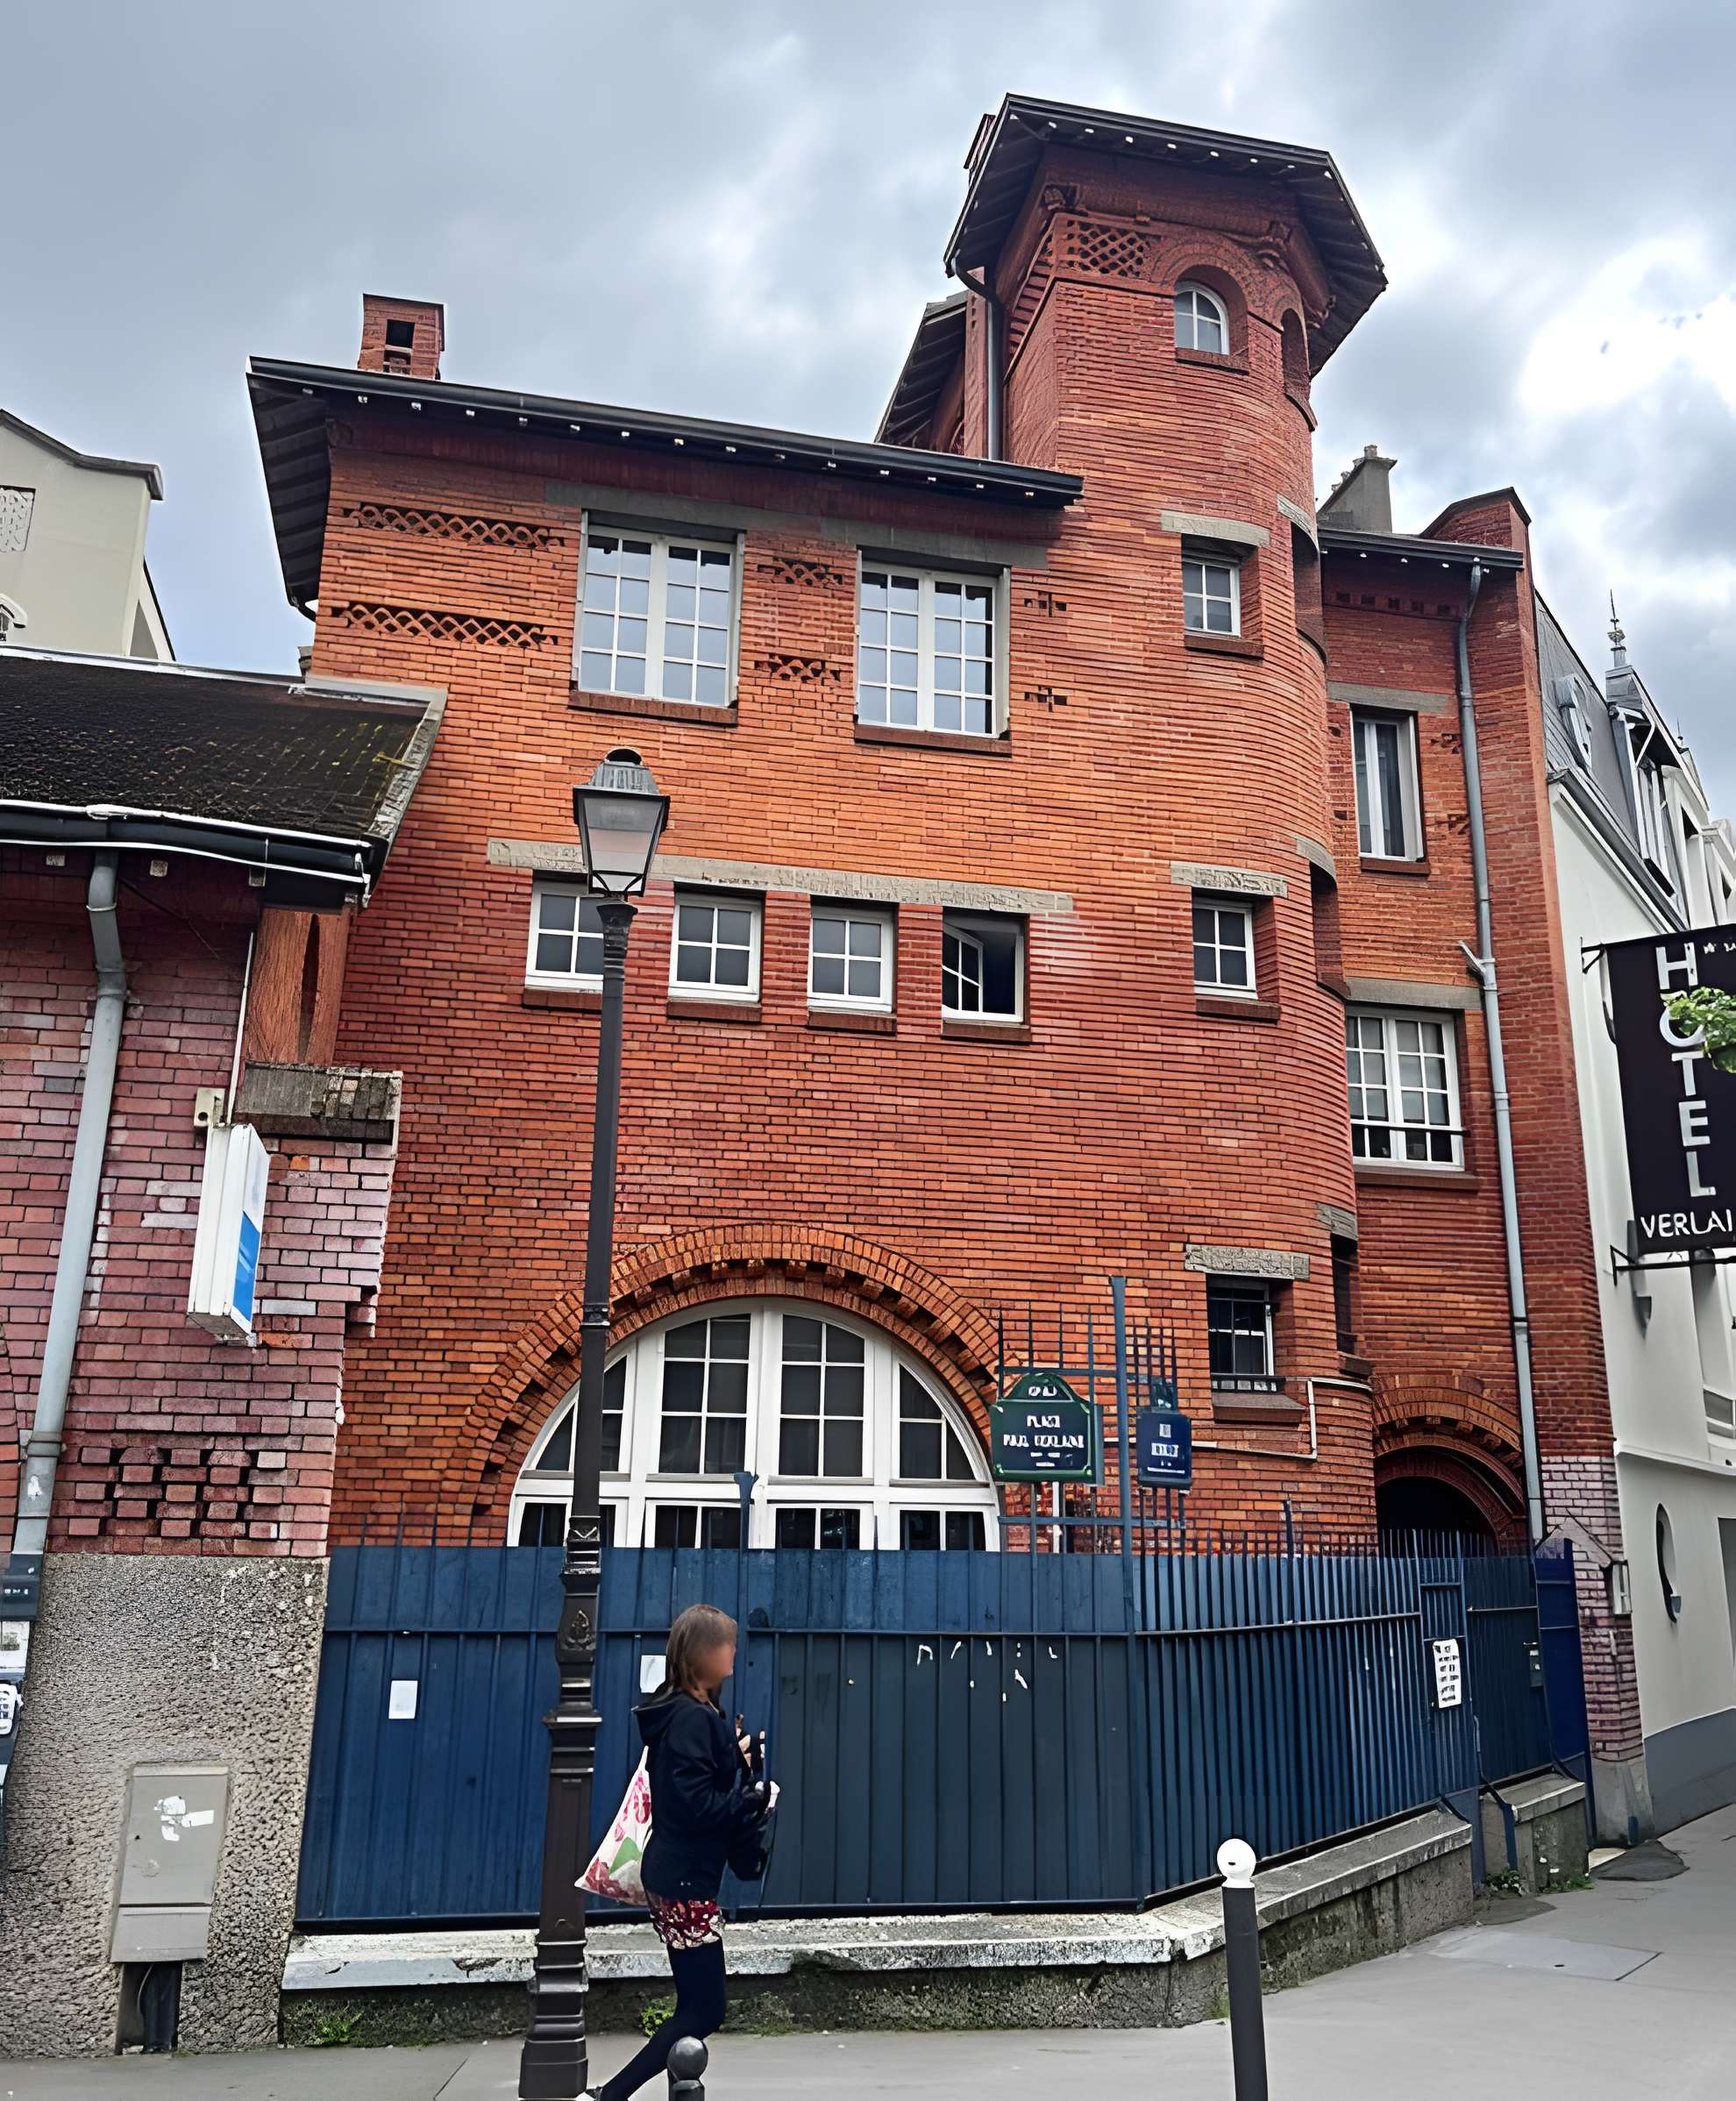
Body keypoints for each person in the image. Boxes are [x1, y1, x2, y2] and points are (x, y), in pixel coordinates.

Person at [594, 1603, 774, 2101]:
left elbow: (688, 1782)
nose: (734, 1650)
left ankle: (639, 2090)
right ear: (702, 1654)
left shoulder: (683, 1712)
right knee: (703, 2010)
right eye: (726, 1643)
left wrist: (731, 1759)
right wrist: (751, 1796)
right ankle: (611, 2095)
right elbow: (695, 1805)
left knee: (694, 2003)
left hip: (675, 1876)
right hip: (685, 1880)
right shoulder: (693, 1718)